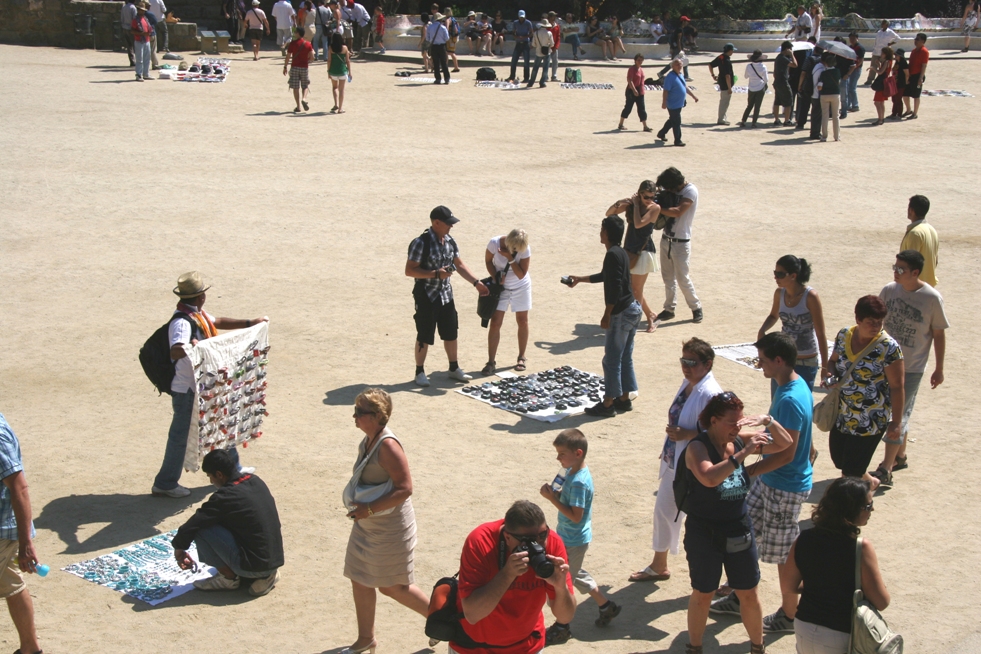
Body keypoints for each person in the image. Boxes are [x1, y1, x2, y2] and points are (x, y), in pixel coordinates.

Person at [709, 333, 814, 635]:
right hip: (771, 481)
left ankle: (789, 615)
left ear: (779, 361)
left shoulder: (791, 398)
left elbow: (787, 452)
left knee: (785, 555)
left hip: (785, 487)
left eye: (764, 360)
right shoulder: (794, 385)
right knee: (741, 532)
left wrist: (749, 472)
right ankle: (738, 593)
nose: (760, 365)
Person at [153, 272, 264, 498]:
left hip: (203, 386)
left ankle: (233, 469)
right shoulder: (182, 323)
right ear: (200, 296)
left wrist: (250, 323)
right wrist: (193, 348)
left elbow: (217, 322)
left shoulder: (196, 314)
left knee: (220, 423)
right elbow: (175, 349)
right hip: (188, 390)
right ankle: (165, 483)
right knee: (181, 436)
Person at [683, 392, 777, 654]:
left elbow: (784, 443)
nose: (738, 428)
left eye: (740, 423)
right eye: (731, 423)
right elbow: (709, 478)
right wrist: (746, 452)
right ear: (714, 420)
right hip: (704, 532)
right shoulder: (697, 447)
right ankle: (695, 647)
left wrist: (768, 421)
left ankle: (758, 647)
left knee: (748, 592)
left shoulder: (738, 439)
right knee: (703, 593)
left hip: (738, 528)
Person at [339, 389, 430, 654]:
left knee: (394, 587)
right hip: (368, 524)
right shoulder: (368, 440)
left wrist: (368, 509)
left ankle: (446, 622)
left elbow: (405, 488)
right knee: (360, 578)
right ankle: (365, 639)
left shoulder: (388, 446)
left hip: (389, 528)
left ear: (378, 416)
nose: (354, 416)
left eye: (360, 412)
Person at [628, 338, 722, 584]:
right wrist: (670, 445)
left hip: (696, 467)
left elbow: (719, 434)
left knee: (702, 521)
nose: (686, 366)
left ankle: (719, 577)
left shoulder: (710, 393)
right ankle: (659, 565)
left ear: (708, 363)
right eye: (683, 360)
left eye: (692, 362)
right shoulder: (689, 383)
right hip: (676, 459)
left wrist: (685, 435)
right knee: (664, 511)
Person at [452, 500, 576, 653]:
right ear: (508, 537)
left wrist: (560, 587)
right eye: (528, 541)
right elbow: (472, 614)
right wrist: (507, 574)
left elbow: (565, 617)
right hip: (474, 648)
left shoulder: (552, 543)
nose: (538, 546)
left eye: (542, 535)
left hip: (528, 646)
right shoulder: (480, 541)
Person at [782, 478, 890, 652]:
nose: (873, 509)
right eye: (868, 506)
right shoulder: (861, 547)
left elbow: (788, 585)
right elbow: (882, 601)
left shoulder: (804, 538)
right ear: (850, 510)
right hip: (840, 633)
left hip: (804, 626)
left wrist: (818, 585)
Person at [872, 250, 948, 484]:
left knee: (898, 415)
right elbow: (876, 323)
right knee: (895, 411)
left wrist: (939, 368)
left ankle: (886, 468)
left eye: (901, 269)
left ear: (915, 272)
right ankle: (900, 455)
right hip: (885, 362)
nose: (895, 272)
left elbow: (938, 334)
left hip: (911, 367)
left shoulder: (932, 298)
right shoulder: (888, 290)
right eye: (894, 267)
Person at [539, 430, 621, 645]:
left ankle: (562, 626)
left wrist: (552, 500)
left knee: (562, 582)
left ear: (578, 453)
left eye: (562, 453)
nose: (558, 458)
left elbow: (576, 516)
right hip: (569, 537)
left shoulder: (577, 482)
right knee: (573, 572)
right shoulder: (573, 471)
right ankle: (606, 606)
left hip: (572, 538)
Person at [172, 449, 282, 597]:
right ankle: (266, 575)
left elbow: (194, 524)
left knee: (202, 528)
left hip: (254, 567)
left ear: (219, 475)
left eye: (210, 476)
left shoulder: (225, 497)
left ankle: (228, 578)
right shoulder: (255, 480)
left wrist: (179, 550)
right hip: (274, 559)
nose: (211, 481)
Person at [822, 295, 904, 491]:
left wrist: (896, 422)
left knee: (851, 471)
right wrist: (830, 374)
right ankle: (871, 481)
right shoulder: (843, 335)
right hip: (843, 413)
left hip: (871, 419)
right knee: (840, 460)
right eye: (871, 322)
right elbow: (832, 361)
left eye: (879, 322)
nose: (876, 326)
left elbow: (897, 386)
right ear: (858, 319)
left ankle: (858, 506)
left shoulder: (889, 348)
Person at [565, 216, 642, 419]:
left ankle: (608, 403)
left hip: (621, 312)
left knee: (611, 359)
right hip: (633, 308)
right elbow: (606, 276)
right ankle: (624, 398)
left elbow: (615, 288)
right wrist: (580, 279)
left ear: (606, 233)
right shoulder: (621, 253)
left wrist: (607, 314)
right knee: (625, 356)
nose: (600, 232)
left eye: (601, 229)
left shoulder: (612, 255)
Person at [405, 207, 489, 387]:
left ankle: (453, 368)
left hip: (445, 295)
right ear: (436, 223)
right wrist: (435, 274)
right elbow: (410, 270)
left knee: (451, 331)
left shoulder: (450, 241)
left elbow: (459, 264)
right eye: (448, 223)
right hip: (426, 295)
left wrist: (476, 283)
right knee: (424, 333)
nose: (452, 227)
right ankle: (419, 371)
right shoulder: (421, 243)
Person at [0, 414, 43, 654]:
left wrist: (26, 543)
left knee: (11, 583)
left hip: (3, 531)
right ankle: (30, 648)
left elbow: (20, 488)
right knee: (11, 584)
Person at [757, 255, 829, 396]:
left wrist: (825, 367)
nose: (776, 277)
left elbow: (821, 334)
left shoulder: (811, 297)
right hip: (783, 360)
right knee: (778, 403)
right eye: (775, 273)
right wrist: (762, 330)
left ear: (793, 276)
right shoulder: (779, 294)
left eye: (780, 274)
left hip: (806, 362)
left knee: (799, 403)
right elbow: (773, 315)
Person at [606, 182, 659, 329]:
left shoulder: (655, 208)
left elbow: (638, 223)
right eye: (646, 196)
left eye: (652, 196)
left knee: (636, 289)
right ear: (639, 193)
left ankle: (643, 319)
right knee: (632, 287)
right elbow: (609, 213)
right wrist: (620, 203)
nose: (649, 199)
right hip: (630, 250)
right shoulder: (633, 205)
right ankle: (650, 315)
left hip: (644, 251)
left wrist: (636, 205)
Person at [655, 167, 702, 324]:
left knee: (683, 278)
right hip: (666, 239)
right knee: (667, 277)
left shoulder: (690, 191)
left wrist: (656, 209)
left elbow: (678, 211)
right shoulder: (673, 190)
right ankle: (669, 309)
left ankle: (696, 308)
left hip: (681, 242)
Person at [482, 229, 532, 376]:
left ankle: (521, 357)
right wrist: (496, 277)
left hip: (521, 287)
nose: (517, 250)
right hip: (501, 288)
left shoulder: (524, 248)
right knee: (496, 322)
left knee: (522, 321)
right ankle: (491, 362)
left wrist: (510, 258)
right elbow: (488, 261)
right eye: (514, 248)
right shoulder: (494, 243)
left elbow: (521, 274)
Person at [656, 58, 698, 147]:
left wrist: (693, 96)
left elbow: (685, 87)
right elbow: (666, 91)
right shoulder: (670, 77)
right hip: (672, 104)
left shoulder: (680, 75)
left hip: (679, 103)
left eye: (680, 64)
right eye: (677, 64)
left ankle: (661, 133)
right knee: (677, 122)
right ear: (672, 66)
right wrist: (664, 102)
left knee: (672, 120)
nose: (679, 66)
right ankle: (677, 140)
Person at [900, 194, 939, 286]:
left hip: (915, 287)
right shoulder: (932, 230)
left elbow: (909, 263)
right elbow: (935, 260)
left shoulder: (915, 233)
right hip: (929, 285)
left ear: (911, 210)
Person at [617, 54, 652, 132]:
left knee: (642, 109)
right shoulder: (632, 69)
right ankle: (620, 124)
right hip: (631, 91)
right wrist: (634, 90)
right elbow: (630, 80)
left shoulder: (641, 69)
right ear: (635, 60)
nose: (640, 62)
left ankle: (645, 126)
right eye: (638, 60)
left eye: (641, 60)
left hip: (640, 91)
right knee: (628, 108)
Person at [284, 27, 314, 113]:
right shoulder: (308, 44)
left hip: (295, 67)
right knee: (305, 85)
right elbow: (312, 57)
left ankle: (298, 106)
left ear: (298, 33)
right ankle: (304, 98)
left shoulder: (293, 44)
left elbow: (288, 56)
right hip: (304, 67)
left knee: (295, 87)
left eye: (295, 32)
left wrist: (285, 66)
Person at [739, 50, 769, 128]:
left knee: (749, 105)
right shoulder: (763, 67)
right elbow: (766, 79)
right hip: (760, 87)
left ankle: (743, 121)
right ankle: (754, 122)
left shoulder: (749, 66)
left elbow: (746, 76)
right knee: (757, 106)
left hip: (751, 87)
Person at [903, 33, 929, 119]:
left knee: (916, 95)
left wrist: (921, 78)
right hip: (911, 75)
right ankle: (908, 110)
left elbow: (924, 65)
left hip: (918, 75)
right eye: (915, 39)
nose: (915, 41)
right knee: (905, 93)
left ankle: (915, 113)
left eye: (917, 39)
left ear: (922, 41)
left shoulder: (924, 52)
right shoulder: (914, 51)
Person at [865, 20, 900, 85]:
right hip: (876, 52)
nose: (882, 25)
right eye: (882, 23)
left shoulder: (890, 32)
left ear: (886, 25)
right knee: (873, 66)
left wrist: (890, 43)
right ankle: (869, 80)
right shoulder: (879, 32)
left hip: (884, 53)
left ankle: (883, 80)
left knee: (884, 68)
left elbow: (898, 38)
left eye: (884, 24)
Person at [709, 44, 735, 126]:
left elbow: (710, 65)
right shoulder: (726, 61)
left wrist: (713, 75)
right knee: (724, 102)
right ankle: (721, 119)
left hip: (721, 81)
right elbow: (727, 75)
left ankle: (723, 117)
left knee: (723, 100)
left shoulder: (721, 57)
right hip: (725, 84)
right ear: (730, 50)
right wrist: (729, 88)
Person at [817, 52, 841, 142]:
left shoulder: (823, 73)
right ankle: (836, 136)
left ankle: (824, 136)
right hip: (835, 94)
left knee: (825, 116)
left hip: (825, 95)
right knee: (836, 116)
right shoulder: (837, 72)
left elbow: (820, 86)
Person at [772, 41, 797, 125]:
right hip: (783, 82)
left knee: (777, 101)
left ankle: (776, 120)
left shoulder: (778, 57)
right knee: (789, 101)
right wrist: (792, 55)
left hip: (777, 81)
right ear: (787, 49)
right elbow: (795, 65)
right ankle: (787, 120)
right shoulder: (783, 58)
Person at [507, 10, 533, 83]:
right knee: (514, 61)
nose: (521, 18)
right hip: (518, 43)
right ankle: (512, 76)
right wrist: (516, 36)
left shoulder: (528, 23)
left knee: (526, 62)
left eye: (523, 17)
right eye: (520, 17)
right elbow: (513, 32)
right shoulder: (515, 23)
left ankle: (526, 78)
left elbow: (531, 33)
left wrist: (525, 36)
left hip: (525, 43)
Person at [328, 32, 351, 113]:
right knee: (342, 90)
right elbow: (348, 61)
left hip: (333, 71)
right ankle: (340, 108)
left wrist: (328, 71)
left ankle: (336, 104)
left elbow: (329, 60)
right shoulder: (345, 48)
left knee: (334, 87)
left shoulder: (331, 48)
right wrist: (350, 72)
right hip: (342, 71)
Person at [527, 18, 554, 88]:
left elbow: (533, 44)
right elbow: (552, 44)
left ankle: (531, 82)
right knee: (545, 68)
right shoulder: (549, 33)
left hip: (538, 52)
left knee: (535, 68)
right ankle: (542, 82)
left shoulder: (536, 33)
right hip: (547, 52)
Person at [871, 47, 894, 125]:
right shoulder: (888, 61)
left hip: (882, 83)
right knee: (881, 102)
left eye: (882, 53)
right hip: (884, 83)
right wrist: (879, 64)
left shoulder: (887, 62)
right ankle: (881, 118)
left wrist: (873, 68)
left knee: (877, 102)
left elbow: (880, 72)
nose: (881, 55)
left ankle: (880, 119)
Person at [131, 2, 153, 82]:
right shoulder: (135, 20)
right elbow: (132, 31)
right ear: (138, 10)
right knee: (139, 59)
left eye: (143, 10)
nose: (142, 12)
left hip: (146, 40)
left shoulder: (145, 18)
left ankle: (146, 73)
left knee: (147, 58)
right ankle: (139, 74)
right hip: (139, 41)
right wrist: (142, 33)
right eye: (141, 10)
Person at [427, 12, 451, 84]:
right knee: (444, 63)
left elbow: (428, 38)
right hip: (442, 46)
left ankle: (438, 79)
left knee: (436, 63)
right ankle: (446, 78)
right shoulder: (443, 27)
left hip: (434, 46)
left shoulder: (429, 27)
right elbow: (447, 38)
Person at [889, 48, 908, 120]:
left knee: (898, 99)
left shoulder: (903, 63)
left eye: (897, 55)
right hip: (895, 82)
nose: (895, 56)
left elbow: (907, 74)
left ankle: (899, 114)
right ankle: (894, 113)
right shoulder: (897, 62)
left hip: (901, 83)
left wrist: (906, 83)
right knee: (894, 99)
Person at [120, 0, 137, 65]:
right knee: (135, 45)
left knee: (129, 45)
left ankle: (132, 61)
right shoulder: (133, 8)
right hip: (131, 28)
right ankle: (137, 60)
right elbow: (134, 19)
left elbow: (122, 18)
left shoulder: (124, 7)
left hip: (125, 27)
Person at [547, 12, 561, 81]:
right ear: (549, 17)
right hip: (547, 47)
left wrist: (556, 46)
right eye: (553, 16)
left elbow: (558, 37)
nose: (554, 18)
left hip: (554, 47)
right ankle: (545, 76)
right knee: (546, 62)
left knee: (555, 62)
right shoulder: (546, 26)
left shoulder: (557, 26)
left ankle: (554, 76)